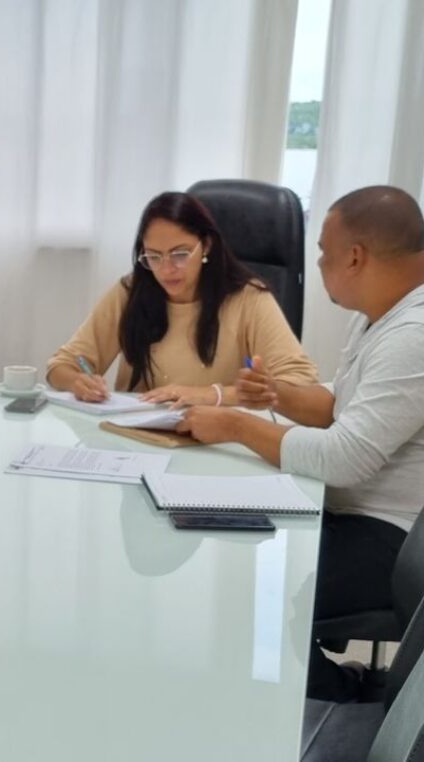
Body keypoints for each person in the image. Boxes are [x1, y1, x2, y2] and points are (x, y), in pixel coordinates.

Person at [176, 185, 424, 701]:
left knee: (254, 594)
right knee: (232, 557)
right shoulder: (386, 313)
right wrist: (277, 395)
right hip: (354, 511)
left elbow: (344, 458)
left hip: (392, 537)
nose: (320, 263)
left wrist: (238, 425)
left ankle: (348, 708)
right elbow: (346, 401)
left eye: (324, 254)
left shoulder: (414, 333)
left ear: (355, 257)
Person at [47, 191, 317, 405]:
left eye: (179, 254)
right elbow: (62, 365)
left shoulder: (248, 298)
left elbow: (299, 381)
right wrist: (76, 382)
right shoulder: (131, 291)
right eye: (153, 256)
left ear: (206, 245)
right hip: (136, 439)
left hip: (216, 441)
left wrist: (213, 395)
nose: (166, 269)